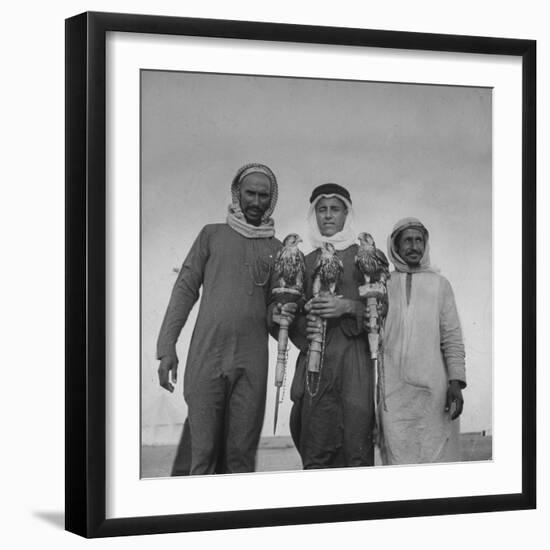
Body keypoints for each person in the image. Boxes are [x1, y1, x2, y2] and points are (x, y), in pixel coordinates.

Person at [157, 163, 285, 475]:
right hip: (207, 355)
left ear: (272, 200)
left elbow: (274, 314)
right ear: (236, 193)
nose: (256, 202)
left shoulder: (278, 249)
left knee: (240, 456)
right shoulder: (211, 235)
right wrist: (166, 347)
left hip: (251, 361)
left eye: (263, 196)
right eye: (250, 194)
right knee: (202, 454)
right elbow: (185, 289)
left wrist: (280, 315)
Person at [277, 183, 375, 469]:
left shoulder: (365, 257)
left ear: (347, 214)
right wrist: (300, 322)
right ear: (314, 215)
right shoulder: (304, 261)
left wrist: (348, 307)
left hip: (355, 362)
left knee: (356, 444)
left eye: (335, 209)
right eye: (322, 210)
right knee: (316, 445)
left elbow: (384, 310)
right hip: (316, 362)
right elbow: (290, 309)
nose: (328, 216)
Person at [377, 217, 466, 465]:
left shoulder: (440, 285)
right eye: (407, 240)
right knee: (397, 463)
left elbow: (452, 336)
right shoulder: (382, 285)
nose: (414, 246)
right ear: (395, 245)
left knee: (435, 461)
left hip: (434, 391)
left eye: (419, 240)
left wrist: (456, 382)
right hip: (393, 393)